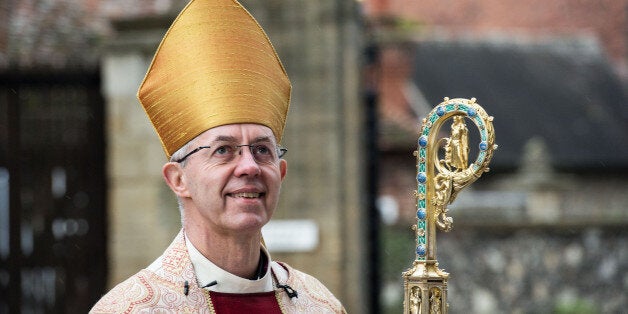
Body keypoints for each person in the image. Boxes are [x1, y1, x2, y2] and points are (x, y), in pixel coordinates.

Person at [90, 0, 345, 312]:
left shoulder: (316, 304)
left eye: (262, 150)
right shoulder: (134, 308)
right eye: (223, 150)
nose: (249, 166)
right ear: (178, 179)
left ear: (281, 172)